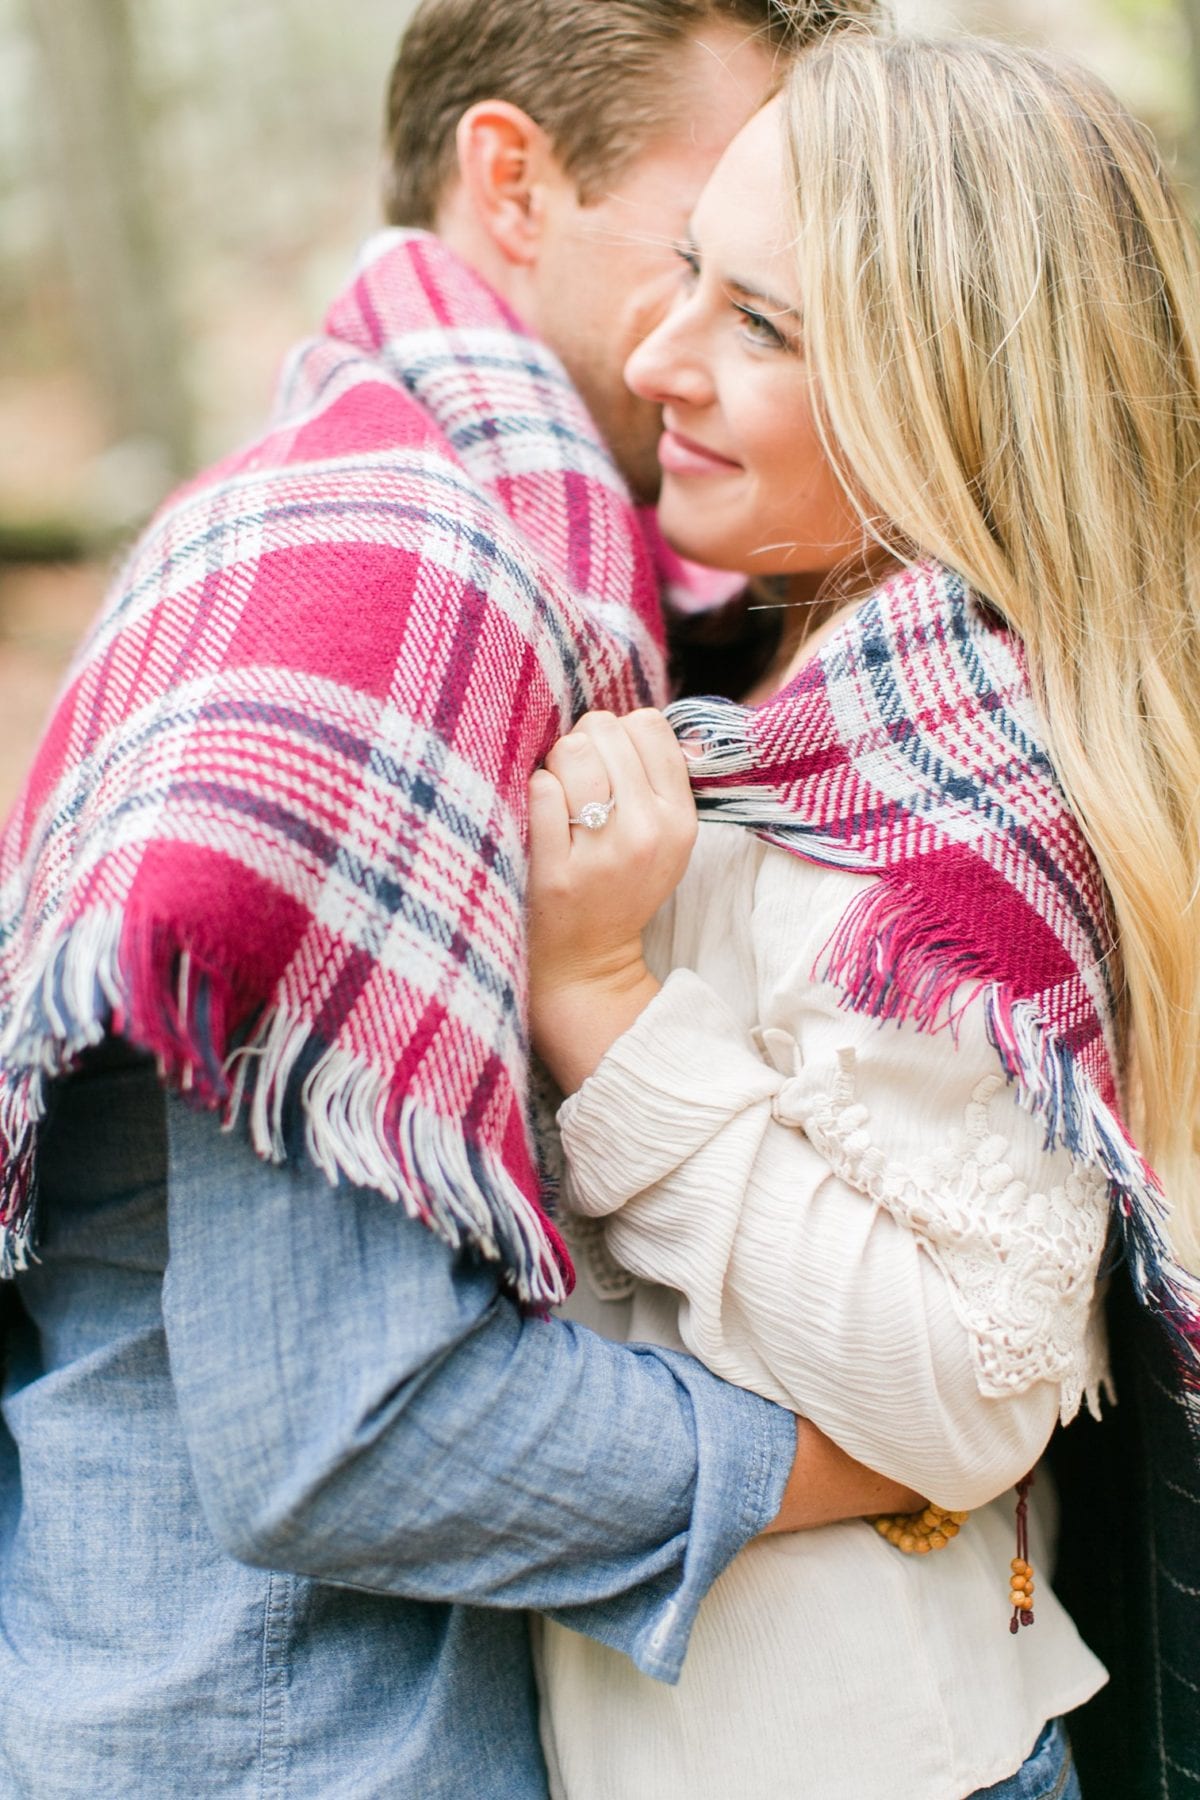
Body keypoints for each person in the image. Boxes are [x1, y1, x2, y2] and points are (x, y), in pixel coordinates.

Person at [0, 2, 923, 1796]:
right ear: (512, 178)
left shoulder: (447, 551)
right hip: (286, 1748)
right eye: (714, 232)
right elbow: (346, 1436)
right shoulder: (386, 576)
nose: (775, 298)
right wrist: (861, 1456)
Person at [527, 33, 1200, 1799]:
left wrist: (601, 1000)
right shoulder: (822, 708)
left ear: (945, 397)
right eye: (687, 276)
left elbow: (964, 1388)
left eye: (762, 325)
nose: (652, 355)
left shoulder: (954, 814)